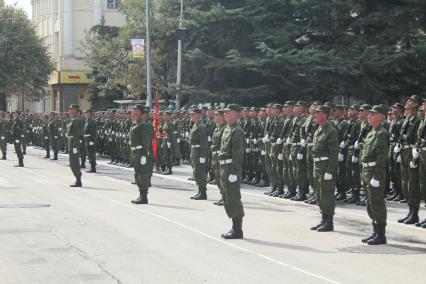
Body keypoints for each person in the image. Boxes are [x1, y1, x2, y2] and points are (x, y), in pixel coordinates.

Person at [360, 105, 389, 245]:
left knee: (377, 202)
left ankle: (381, 235)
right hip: (366, 171)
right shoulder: (372, 132)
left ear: (380, 116)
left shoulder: (382, 133)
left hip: (374, 172)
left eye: (372, 114)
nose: (369, 116)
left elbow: (381, 157)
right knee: (369, 202)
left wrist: (377, 176)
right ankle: (375, 231)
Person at [310, 105, 338, 232]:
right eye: (315, 113)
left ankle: (329, 222)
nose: (315, 115)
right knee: (319, 194)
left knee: (327, 194)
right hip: (317, 166)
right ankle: (323, 219)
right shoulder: (318, 130)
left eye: (318, 113)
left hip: (326, 166)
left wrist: (330, 171)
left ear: (325, 115)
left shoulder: (331, 131)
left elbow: (333, 153)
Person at [219, 104, 245, 239]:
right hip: (224, 167)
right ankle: (234, 227)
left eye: (228, 112)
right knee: (226, 198)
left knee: (233, 198)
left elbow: (237, 154)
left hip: (230, 168)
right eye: (225, 113)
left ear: (236, 114)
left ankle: (237, 229)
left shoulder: (237, 131)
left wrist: (234, 172)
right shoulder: (228, 129)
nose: (225, 115)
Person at [129, 104, 154, 204]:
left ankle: (144, 197)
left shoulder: (143, 125)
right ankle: (141, 195)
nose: (134, 113)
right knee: (137, 174)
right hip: (135, 152)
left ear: (142, 113)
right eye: (133, 111)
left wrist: (144, 155)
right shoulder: (135, 124)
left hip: (141, 153)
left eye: (137, 111)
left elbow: (146, 142)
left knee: (143, 174)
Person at [189, 107, 209, 200]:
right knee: (196, 171)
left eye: (193, 114)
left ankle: (203, 193)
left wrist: (202, 155)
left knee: (200, 172)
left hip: (198, 151)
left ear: (199, 115)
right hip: (194, 151)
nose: (191, 116)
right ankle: (199, 191)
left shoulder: (201, 126)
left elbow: (203, 143)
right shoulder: (195, 125)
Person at [67, 104, 83, 187]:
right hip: (72, 144)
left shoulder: (76, 121)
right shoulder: (73, 120)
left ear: (76, 111)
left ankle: (78, 180)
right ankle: (78, 179)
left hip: (74, 145)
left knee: (74, 163)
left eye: (71, 109)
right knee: (72, 163)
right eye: (69, 109)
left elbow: (78, 134)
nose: (70, 110)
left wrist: (75, 146)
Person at [83, 109, 98, 173]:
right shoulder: (87, 121)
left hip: (90, 140)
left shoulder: (91, 121)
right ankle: (92, 167)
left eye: (86, 113)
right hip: (87, 140)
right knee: (89, 154)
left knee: (91, 154)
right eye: (84, 113)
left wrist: (92, 140)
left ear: (89, 113)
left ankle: (93, 168)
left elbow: (93, 132)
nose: (85, 114)